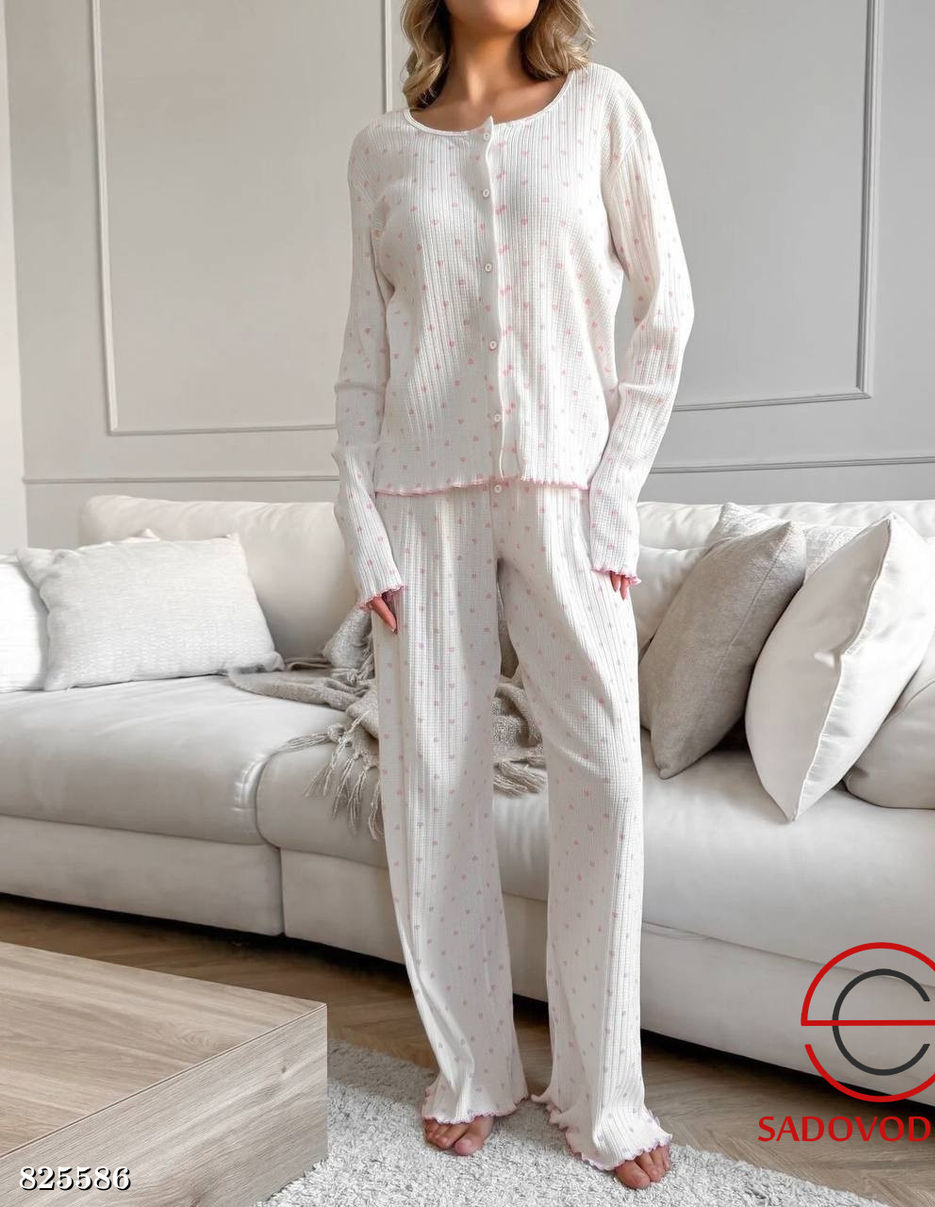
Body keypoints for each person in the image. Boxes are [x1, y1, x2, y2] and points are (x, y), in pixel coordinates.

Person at [331, 0, 694, 1190]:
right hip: (417, 499)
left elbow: (667, 306)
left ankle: (602, 1093)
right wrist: (362, 525)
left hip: (564, 494)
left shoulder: (600, 109)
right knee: (431, 779)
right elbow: (364, 356)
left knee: (604, 779)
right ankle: (474, 1067)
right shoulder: (381, 150)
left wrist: (613, 491)